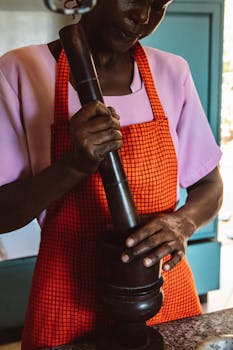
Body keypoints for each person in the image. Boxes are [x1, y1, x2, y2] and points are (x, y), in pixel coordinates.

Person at [0, 0, 223, 348]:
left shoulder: (172, 73)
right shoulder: (22, 71)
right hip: (68, 300)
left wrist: (183, 224)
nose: (144, 18)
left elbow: (209, 184)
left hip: (163, 289)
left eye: (160, 6)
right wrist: (73, 165)